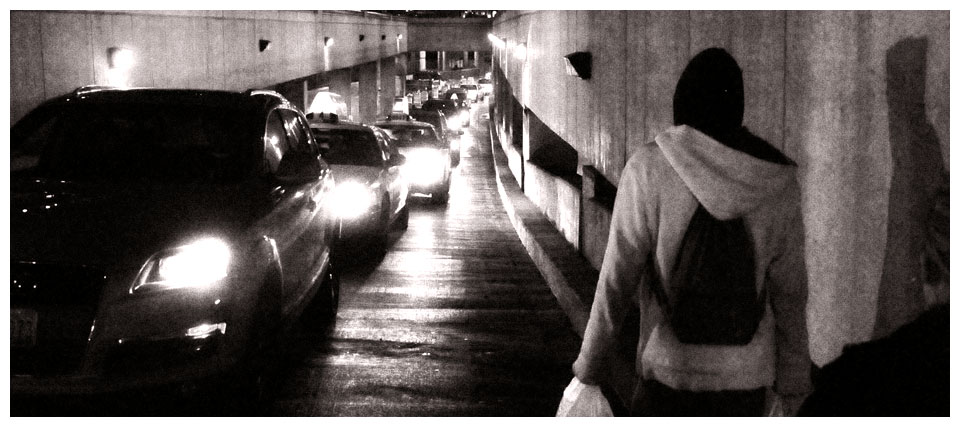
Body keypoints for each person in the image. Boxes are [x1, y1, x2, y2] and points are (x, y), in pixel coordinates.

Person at [571, 48, 812, 416]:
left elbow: (615, 283)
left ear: (681, 102)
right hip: (745, 388)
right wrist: (794, 388)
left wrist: (589, 368)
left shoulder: (649, 169)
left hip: (668, 380)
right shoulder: (776, 182)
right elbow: (790, 296)